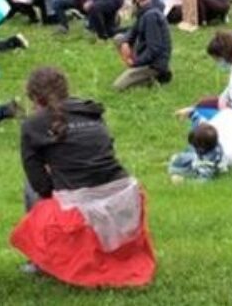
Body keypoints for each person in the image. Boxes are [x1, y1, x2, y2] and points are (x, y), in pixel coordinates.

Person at [10, 67, 156, 287]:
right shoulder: (93, 112)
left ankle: (41, 258)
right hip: (126, 196)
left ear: (34, 98)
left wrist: (58, 178)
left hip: (82, 206)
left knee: (31, 187)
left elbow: (40, 184)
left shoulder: (33, 124)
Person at [113, 0, 172, 91]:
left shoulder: (151, 16)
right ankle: (136, 73)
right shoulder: (143, 12)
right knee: (119, 39)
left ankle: (156, 77)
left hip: (154, 65)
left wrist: (135, 62)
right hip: (143, 54)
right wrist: (125, 42)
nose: (127, 0)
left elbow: (154, 49)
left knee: (118, 86)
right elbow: (132, 32)